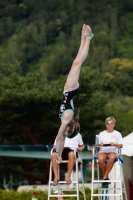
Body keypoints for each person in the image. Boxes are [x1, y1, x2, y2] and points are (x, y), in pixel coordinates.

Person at [55, 24, 94, 164]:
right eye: (67, 132)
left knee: (76, 62)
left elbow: (62, 139)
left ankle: (84, 38)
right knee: (77, 63)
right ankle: (88, 39)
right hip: (70, 89)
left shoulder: (66, 122)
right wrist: (57, 154)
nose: (64, 133)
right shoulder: (66, 120)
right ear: (69, 128)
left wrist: (59, 156)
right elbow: (59, 139)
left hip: (69, 89)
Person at [97, 116, 123, 183]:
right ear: (105, 124)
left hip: (113, 150)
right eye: (107, 123)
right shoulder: (101, 134)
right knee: (100, 159)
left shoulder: (117, 134)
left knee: (112, 157)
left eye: (111, 123)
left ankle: (105, 175)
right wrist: (99, 145)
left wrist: (115, 144)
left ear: (114, 124)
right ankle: (106, 176)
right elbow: (97, 145)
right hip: (103, 150)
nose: (109, 124)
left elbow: (121, 145)